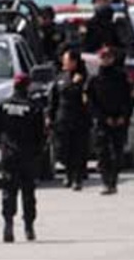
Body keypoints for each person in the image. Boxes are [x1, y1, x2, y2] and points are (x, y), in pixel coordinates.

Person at [0, 73, 46, 243]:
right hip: (28, 155)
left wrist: (0, 144)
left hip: (9, 155)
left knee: (9, 190)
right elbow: (41, 133)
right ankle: (29, 227)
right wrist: (38, 152)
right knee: (28, 191)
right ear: (27, 87)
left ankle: (8, 223)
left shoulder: (2, 105)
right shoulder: (33, 107)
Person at [87, 47, 133, 195]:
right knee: (103, 152)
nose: (106, 60)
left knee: (117, 153)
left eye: (108, 57)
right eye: (103, 57)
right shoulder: (94, 79)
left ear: (112, 59)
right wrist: (102, 117)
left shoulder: (121, 77)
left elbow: (128, 99)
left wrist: (123, 116)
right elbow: (90, 102)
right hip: (102, 121)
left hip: (119, 120)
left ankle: (113, 181)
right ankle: (106, 182)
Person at [47, 48, 90, 190]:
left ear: (74, 62)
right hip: (62, 119)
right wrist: (49, 116)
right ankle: (68, 172)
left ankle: (76, 178)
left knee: (77, 150)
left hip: (79, 120)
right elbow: (54, 99)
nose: (64, 62)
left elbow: (84, 97)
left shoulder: (83, 78)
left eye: (67, 60)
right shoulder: (60, 77)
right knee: (62, 149)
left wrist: (76, 84)